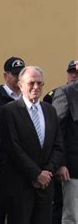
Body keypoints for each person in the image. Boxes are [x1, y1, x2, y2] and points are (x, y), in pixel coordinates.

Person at [0, 66, 63, 224]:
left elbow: (58, 144)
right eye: (31, 83)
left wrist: (48, 171)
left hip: (46, 185)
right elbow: (13, 148)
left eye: (40, 83)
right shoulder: (10, 111)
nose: (36, 87)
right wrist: (36, 174)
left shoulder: (50, 110)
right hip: (20, 184)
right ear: (20, 85)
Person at [0, 56, 25, 224]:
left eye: (21, 74)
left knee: (18, 214)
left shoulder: (28, 98)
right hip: (0, 166)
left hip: (21, 169)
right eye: (15, 74)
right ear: (5, 76)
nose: (18, 78)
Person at [44, 59, 77, 224]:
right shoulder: (63, 93)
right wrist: (60, 163)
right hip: (72, 168)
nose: (74, 76)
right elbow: (55, 132)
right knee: (70, 215)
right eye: (73, 72)